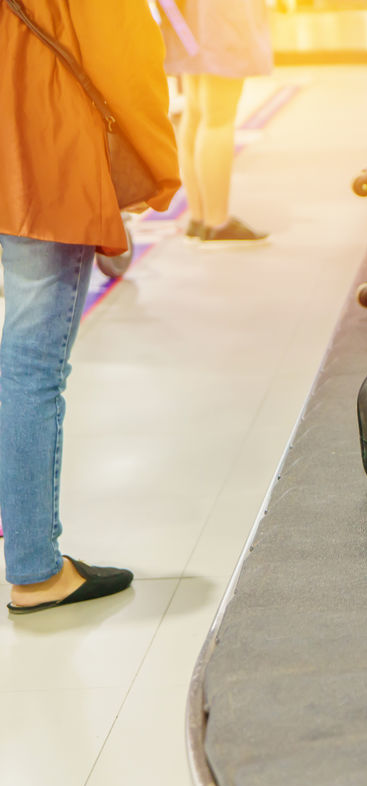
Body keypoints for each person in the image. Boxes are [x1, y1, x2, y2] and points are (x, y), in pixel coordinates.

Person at [0, 0, 180, 613]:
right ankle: (35, 568)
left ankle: (22, 533)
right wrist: (151, 158)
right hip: (41, 140)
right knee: (31, 362)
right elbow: (120, 46)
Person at [160, 0, 274, 244]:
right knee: (218, 117)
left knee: (196, 111)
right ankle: (216, 222)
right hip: (222, 13)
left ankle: (200, 217)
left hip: (188, 15)